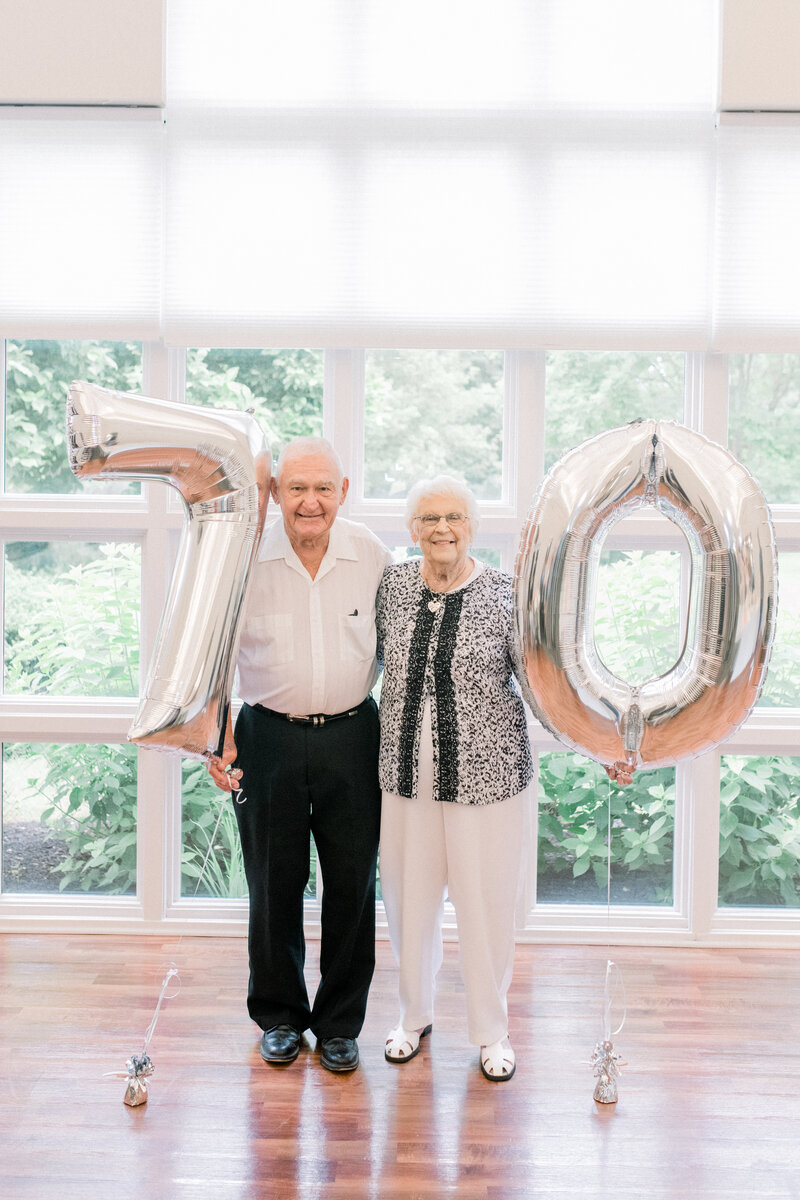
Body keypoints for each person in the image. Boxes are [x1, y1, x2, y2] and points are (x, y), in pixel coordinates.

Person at [208, 436, 392, 1074]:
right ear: (276, 493)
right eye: (295, 488)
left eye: (323, 488)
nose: (309, 502)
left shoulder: (370, 553)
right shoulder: (246, 554)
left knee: (352, 886)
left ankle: (340, 1025)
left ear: (343, 491)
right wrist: (215, 732)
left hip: (353, 737)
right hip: (267, 739)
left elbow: (401, 650)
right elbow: (215, 648)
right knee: (272, 884)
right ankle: (280, 1017)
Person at [376, 475, 533, 1082]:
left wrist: (598, 741)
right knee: (408, 903)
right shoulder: (391, 585)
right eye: (429, 518)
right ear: (411, 529)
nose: (443, 528)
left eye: (455, 517)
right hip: (405, 780)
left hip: (487, 782)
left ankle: (493, 1031)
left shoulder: (504, 593)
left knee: (487, 908)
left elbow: (538, 685)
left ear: (473, 526)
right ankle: (413, 1016)